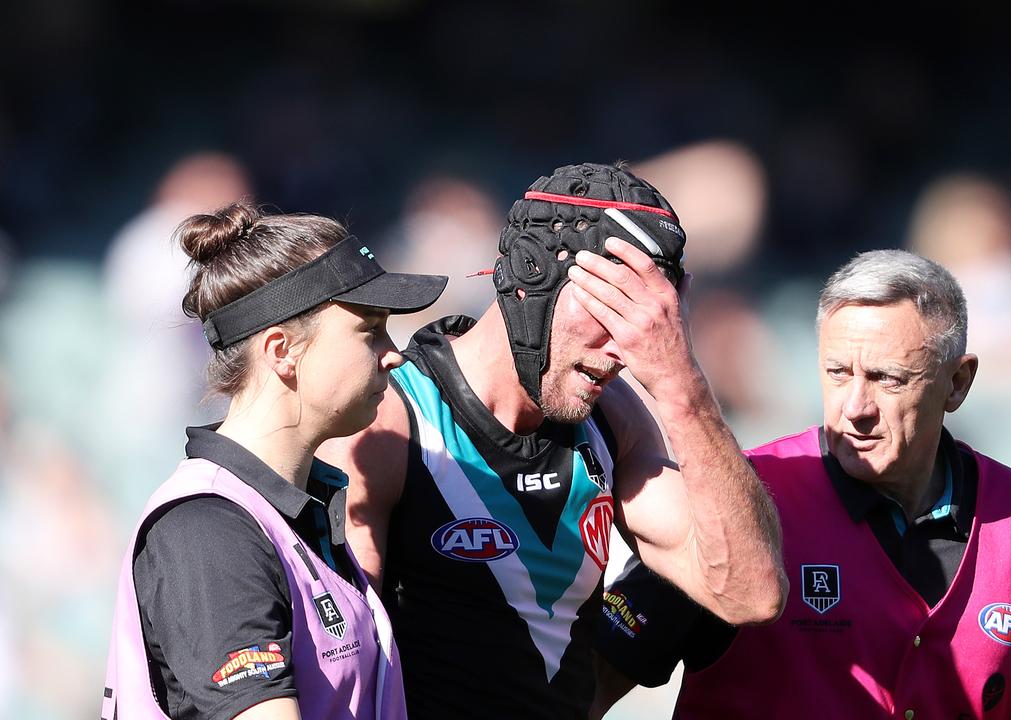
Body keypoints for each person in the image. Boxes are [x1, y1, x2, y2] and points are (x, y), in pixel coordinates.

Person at [317, 162, 786, 719]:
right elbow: (342, 677)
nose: (623, 352)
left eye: (645, 327)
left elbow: (749, 592)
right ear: (529, 280)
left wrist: (682, 383)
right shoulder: (391, 421)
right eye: (608, 316)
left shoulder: (610, 418)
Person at [594, 249, 1011, 719]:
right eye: (838, 373)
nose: (855, 409)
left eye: (887, 378)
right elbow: (590, 684)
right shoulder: (739, 500)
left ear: (957, 382)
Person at [102, 202, 448, 720]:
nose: (392, 353)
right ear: (283, 350)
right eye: (370, 330)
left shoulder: (291, 510)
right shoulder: (209, 530)